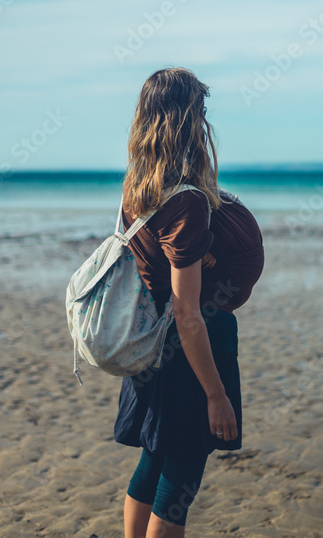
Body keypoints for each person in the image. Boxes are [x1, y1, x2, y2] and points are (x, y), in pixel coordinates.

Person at [114, 67, 264, 538]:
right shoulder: (186, 201)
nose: (204, 121)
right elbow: (187, 312)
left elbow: (163, 268)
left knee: (154, 462)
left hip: (154, 347)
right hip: (190, 355)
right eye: (198, 111)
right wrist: (216, 395)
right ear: (182, 119)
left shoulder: (137, 187)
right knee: (179, 483)